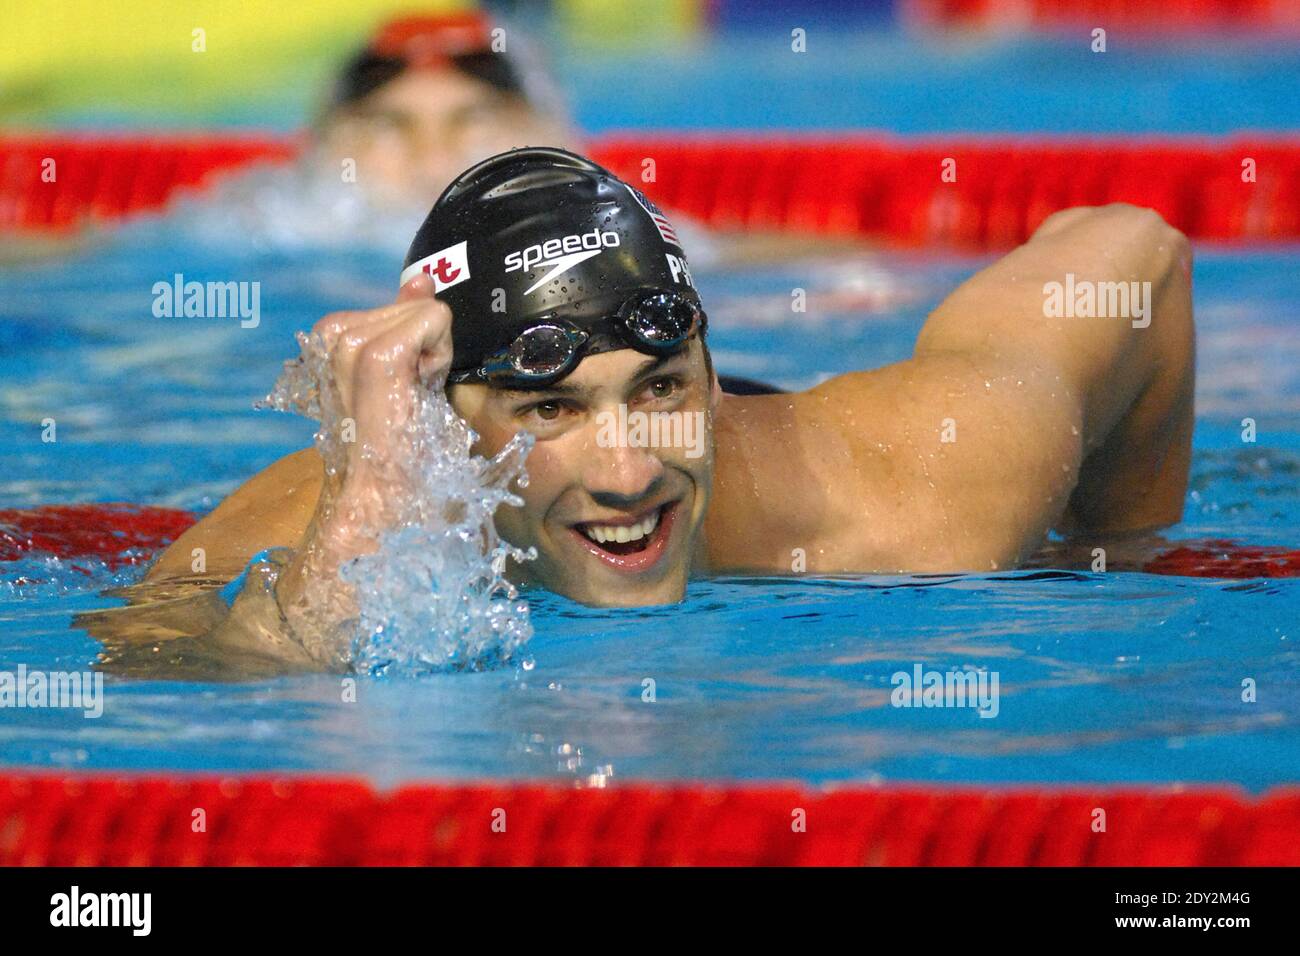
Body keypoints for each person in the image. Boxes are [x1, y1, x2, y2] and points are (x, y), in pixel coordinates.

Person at [133, 147, 1194, 672]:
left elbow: (1134, 250)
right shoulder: (340, 502)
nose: (630, 472)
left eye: (661, 388)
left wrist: (1111, 546)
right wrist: (369, 481)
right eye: (549, 412)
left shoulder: (921, 493)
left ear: (709, 367)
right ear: (447, 422)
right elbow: (167, 663)